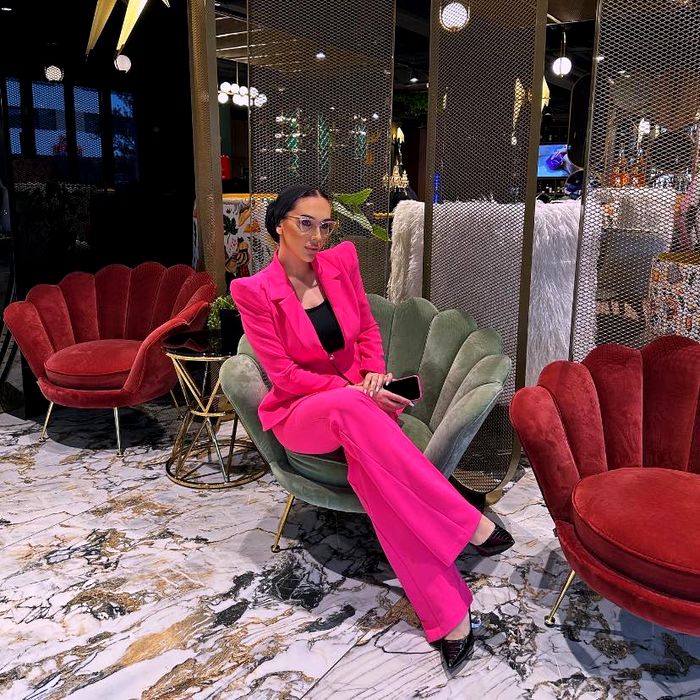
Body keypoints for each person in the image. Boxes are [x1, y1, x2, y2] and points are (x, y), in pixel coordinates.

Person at [230, 184, 514, 678]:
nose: (317, 235)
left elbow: (365, 330)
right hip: (301, 414)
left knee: (379, 484)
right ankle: (465, 519)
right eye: (305, 223)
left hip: (357, 404)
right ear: (278, 224)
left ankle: (448, 617)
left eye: (325, 225)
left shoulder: (341, 262)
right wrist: (357, 392)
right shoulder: (253, 291)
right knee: (348, 407)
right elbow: (285, 375)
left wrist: (374, 378)